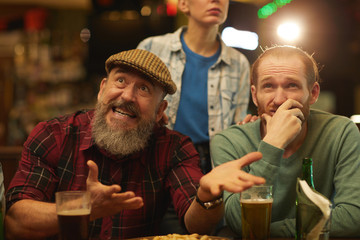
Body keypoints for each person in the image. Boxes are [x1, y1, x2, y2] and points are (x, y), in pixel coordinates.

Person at [4, 49, 265, 240]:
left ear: (160, 109)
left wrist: (208, 195)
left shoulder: (173, 148)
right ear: (102, 88)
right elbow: (16, 221)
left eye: (144, 89)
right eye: (121, 81)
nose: (127, 96)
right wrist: (84, 208)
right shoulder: (55, 135)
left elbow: (198, 226)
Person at [211, 45, 360, 238]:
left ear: (313, 93)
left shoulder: (341, 132)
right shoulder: (228, 141)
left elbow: (353, 218)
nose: (280, 99)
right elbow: (239, 221)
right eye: (268, 86)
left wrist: (267, 232)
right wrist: (273, 144)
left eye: (292, 85)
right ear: (255, 96)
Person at [137, 0, 251, 174]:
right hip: (157, 152)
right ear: (184, 4)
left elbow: (237, 127)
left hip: (212, 161)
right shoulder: (152, 48)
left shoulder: (238, 63)